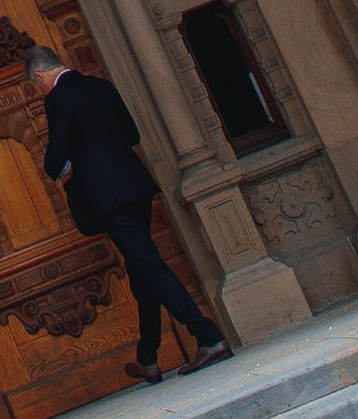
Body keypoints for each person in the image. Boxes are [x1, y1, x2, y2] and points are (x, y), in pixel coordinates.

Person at [24, 48, 230, 384]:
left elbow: (56, 155)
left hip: (108, 198)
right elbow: (132, 134)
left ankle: (208, 337)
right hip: (135, 186)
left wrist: (65, 166)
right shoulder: (101, 86)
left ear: (39, 77)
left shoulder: (58, 97)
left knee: (149, 265)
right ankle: (147, 358)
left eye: (37, 86)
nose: (40, 90)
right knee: (141, 270)